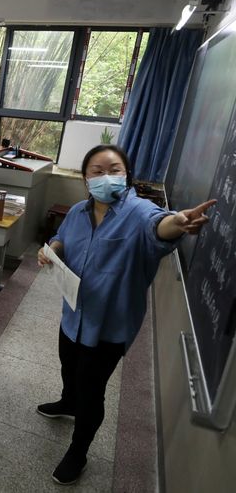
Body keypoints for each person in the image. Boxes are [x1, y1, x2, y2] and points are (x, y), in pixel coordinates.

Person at [36, 144, 215, 485]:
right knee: (68, 365)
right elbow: (61, 237)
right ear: (85, 177)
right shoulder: (77, 211)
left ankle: (79, 449)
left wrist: (177, 222)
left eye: (113, 170)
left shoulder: (139, 212)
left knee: (93, 389)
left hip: (109, 326)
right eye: (97, 171)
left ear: (126, 174)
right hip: (73, 314)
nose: (105, 177)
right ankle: (67, 400)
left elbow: (159, 228)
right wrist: (53, 251)